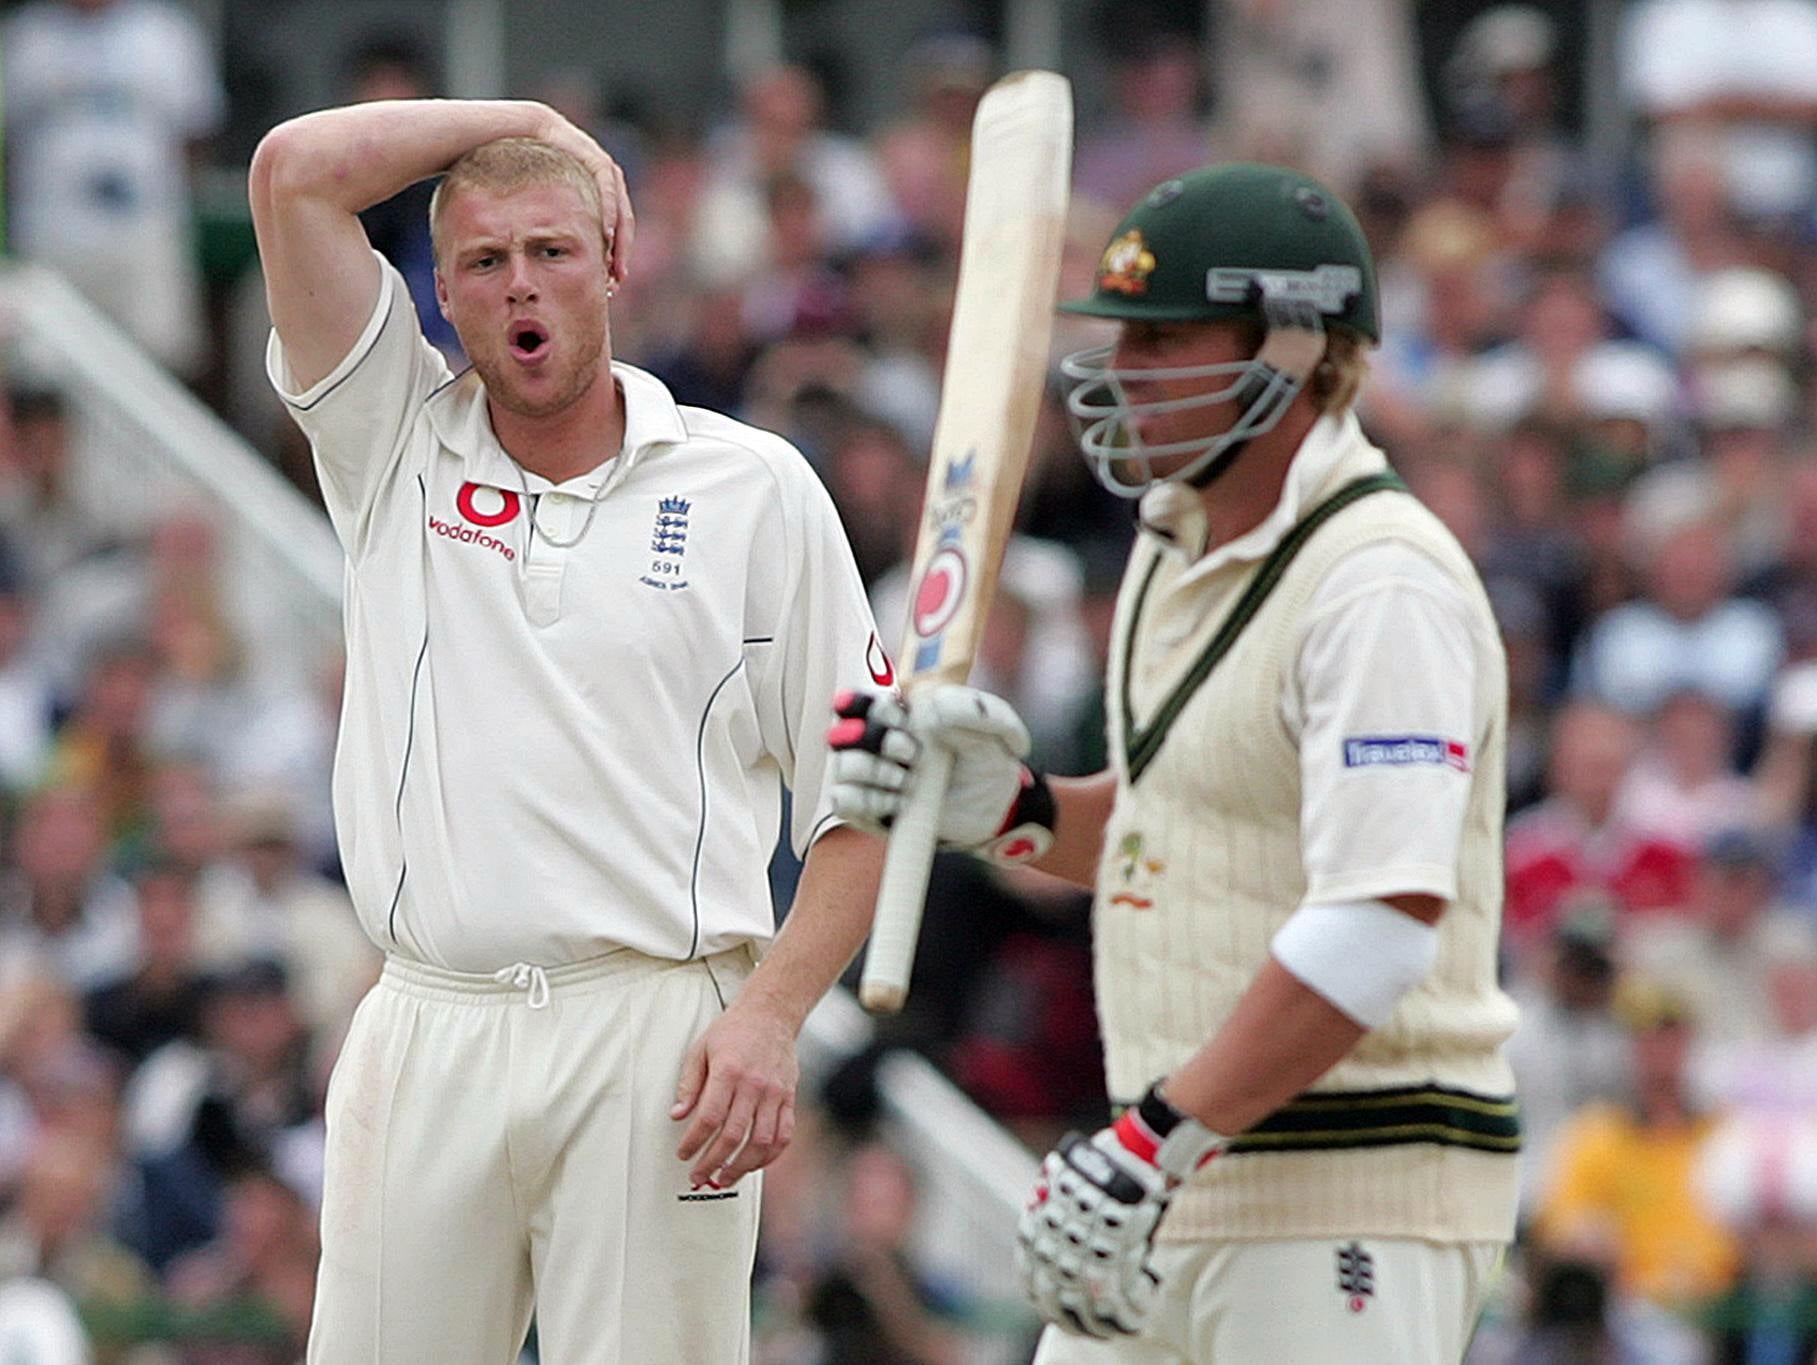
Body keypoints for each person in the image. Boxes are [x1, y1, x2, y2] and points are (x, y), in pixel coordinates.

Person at [830, 163, 1518, 1360]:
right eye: (1120, 340)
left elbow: (1379, 919)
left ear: (1293, 348)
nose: (1119, 374)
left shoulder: (1378, 583)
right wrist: (1012, 808)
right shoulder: (1167, 547)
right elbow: (1171, 831)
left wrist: (1151, 1142)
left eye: (1164, 341)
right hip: (1168, 1173)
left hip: (1346, 1184)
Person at [248, 96, 885, 1363]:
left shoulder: (751, 489)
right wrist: (535, 121)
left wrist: (767, 1017)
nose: (519, 287)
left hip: (656, 1031)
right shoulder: (389, 440)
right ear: (440, 291)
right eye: (483, 262)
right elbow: (292, 171)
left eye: (550, 250)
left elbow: (865, 794)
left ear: (612, 263)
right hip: (428, 1020)